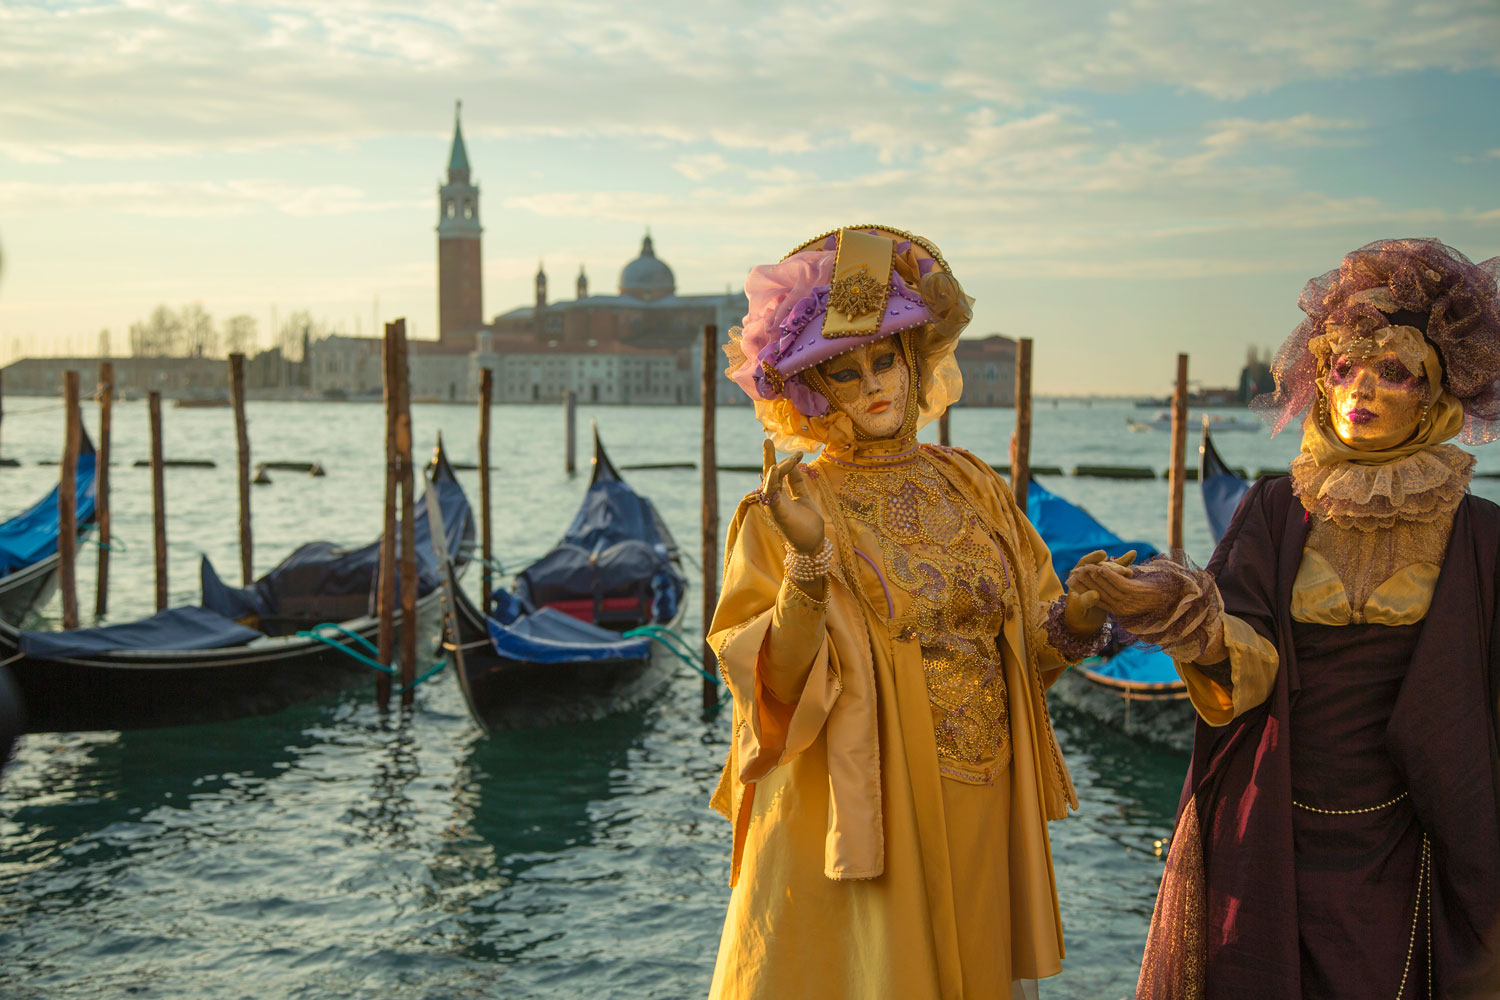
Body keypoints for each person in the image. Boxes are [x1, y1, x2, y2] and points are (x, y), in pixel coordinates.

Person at [705, 225, 1127, 999]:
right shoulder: (790, 505)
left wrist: (1079, 615)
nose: (874, 384)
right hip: (873, 794)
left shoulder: (972, 483)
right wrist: (806, 565)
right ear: (813, 392)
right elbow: (768, 680)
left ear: (914, 359)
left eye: (885, 358)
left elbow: (1033, 640)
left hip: (984, 785)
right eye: (844, 371)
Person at [1071, 238, 1500, 999]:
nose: (1360, 390)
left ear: (1434, 396)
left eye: (1392, 372)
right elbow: (1247, 652)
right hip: (1268, 830)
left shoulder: (1481, 535)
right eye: (1343, 368)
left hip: (1414, 841)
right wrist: (1183, 618)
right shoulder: (1276, 508)